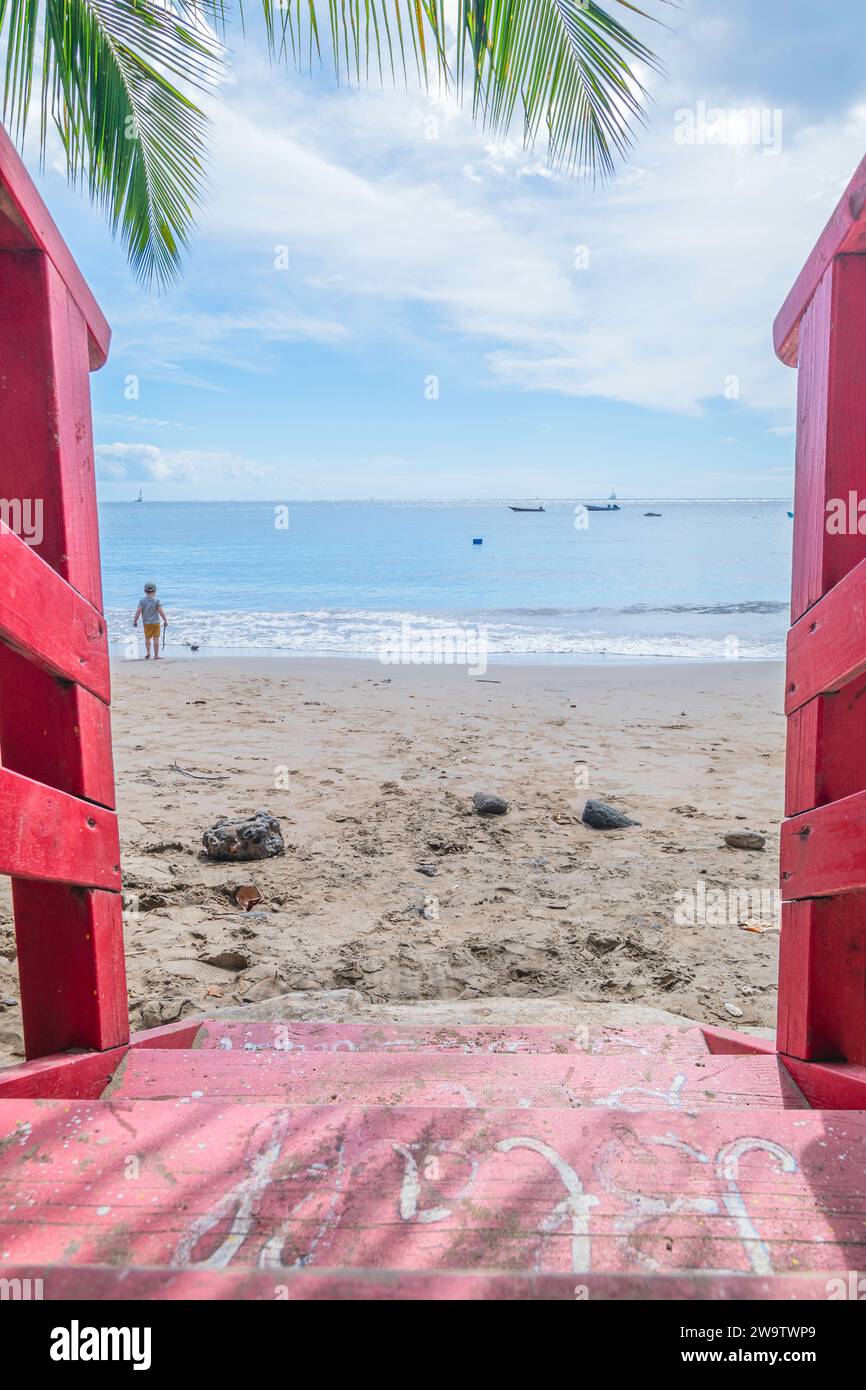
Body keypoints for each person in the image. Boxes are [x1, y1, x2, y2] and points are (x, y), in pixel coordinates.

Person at [134, 582, 168, 660]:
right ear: (155, 591)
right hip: (156, 623)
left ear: (145, 591)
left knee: (147, 638)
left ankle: (148, 652)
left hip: (147, 623)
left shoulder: (142, 601)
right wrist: (165, 620)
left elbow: (138, 611)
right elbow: (160, 611)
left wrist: (135, 621)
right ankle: (156, 655)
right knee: (156, 638)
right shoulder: (157, 600)